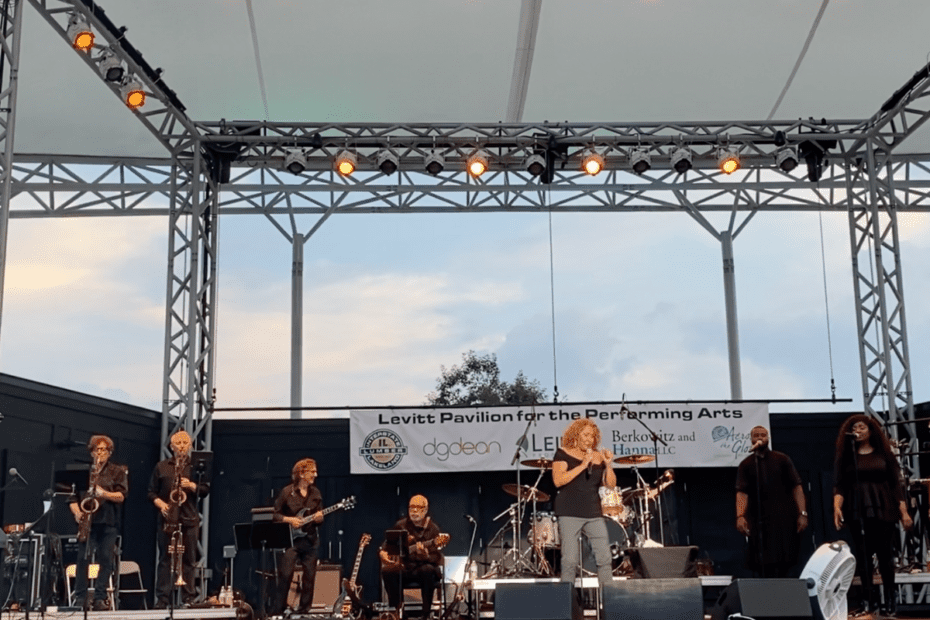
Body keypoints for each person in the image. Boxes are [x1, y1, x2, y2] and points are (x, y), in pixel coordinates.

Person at [833, 414, 912, 617]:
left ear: (870, 431)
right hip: (857, 509)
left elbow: (896, 485)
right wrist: (837, 507)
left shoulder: (884, 454)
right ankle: (868, 600)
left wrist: (903, 512)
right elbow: (840, 485)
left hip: (883, 507)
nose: (857, 431)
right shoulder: (847, 457)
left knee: (885, 556)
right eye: (854, 428)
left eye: (861, 428)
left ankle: (890, 600)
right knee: (863, 556)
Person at [734, 425, 808, 577]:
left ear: (769, 438)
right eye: (756, 435)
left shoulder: (782, 459)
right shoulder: (746, 464)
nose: (760, 437)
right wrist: (740, 516)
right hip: (758, 521)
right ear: (751, 440)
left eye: (763, 435)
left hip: (784, 519)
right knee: (761, 562)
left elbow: (797, 487)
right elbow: (742, 492)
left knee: (785, 561)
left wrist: (802, 513)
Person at [148, 430, 210, 608]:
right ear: (172, 446)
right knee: (165, 559)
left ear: (190, 446)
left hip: (189, 518)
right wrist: (162, 505)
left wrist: (191, 485)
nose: (182, 447)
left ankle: (188, 597)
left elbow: (205, 491)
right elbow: (151, 492)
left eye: (185, 443)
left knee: (189, 559)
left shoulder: (197, 467)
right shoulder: (162, 466)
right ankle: (162, 599)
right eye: (179, 443)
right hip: (168, 518)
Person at [552, 419, 616, 588]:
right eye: (586, 435)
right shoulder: (563, 453)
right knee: (570, 560)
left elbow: (610, 484)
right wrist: (583, 465)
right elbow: (558, 481)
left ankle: (608, 599)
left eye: (593, 436)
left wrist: (608, 465)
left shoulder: (598, 456)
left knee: (604, 558)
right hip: (569, 512)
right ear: (576, 434)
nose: (589, 439)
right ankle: (567, 602)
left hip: (593, 512)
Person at [68, 435, 128, 611]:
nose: (99, 453)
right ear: (91, 452)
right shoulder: (83, 471)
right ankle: (80, 597)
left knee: (105, 559)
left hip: (108, 521)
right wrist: (78, 512)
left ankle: (100, 598)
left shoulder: (117, 471)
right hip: (87, 521)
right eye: (96, 449)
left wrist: (103, 494)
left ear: (109, 453)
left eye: (103, 450)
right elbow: (72, 497)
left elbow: (122, 495)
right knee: (82, 559)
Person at [379, 495, 445, 620]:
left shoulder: (433, 529)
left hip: (421, 568)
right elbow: (388, 544)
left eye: (418, 507)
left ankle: (425, 615)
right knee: (387, 571)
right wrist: (382, 552)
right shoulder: (401, 525)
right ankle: (398, 611)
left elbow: (436, 557)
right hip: (404, 568)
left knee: (428, 570)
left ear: (425, 510)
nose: (414, 511)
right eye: (411, 507)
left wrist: (425, 555)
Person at [273, 458, 324, 616]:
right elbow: (275, 515)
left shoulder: (315, 493)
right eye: (312, 471)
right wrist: (289, 520)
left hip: (310, 540)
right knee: (285, 575)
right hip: (292, 541)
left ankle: (304, 610)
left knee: (309, 577)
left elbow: (321, 517)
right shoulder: (287, 492)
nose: (316, 474)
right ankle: (280, 609)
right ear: (302, 473)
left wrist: (319, 517)